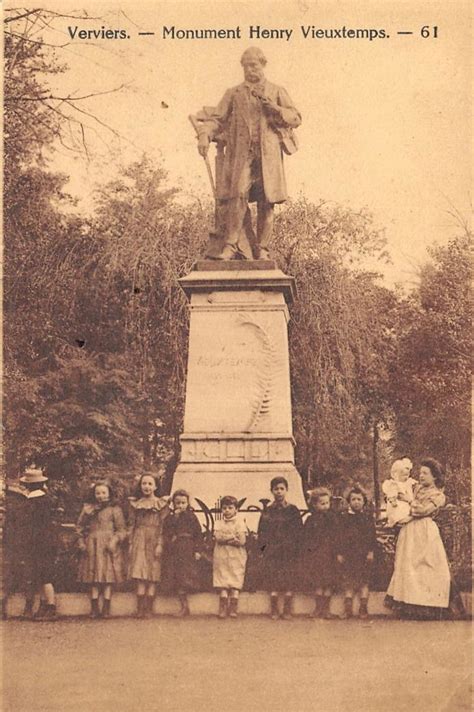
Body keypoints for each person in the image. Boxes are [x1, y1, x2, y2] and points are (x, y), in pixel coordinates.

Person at [196, 46, 301, 260]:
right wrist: (204, 135)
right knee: (238, 195)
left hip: (268, 156)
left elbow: (296, 117)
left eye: (253, 65)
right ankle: (231, 245)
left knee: (267, 201)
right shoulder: (233, 93)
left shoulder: (276, 91)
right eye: (245, 66)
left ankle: (262, 248)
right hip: (243, 156)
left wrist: (276, 109)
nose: (249, 69)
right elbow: (216, 119)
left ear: (263, 65)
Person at [385, 458, 451, 619]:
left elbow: (423, 511)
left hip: (426, 531)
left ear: (435, 476)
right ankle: (410, 605)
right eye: (420, 472)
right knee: (408, 566)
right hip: (410, 531)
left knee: (429, 566)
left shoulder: (438, 495)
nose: (421, 476)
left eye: (425, 473)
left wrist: (409, 500)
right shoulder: (416, 489)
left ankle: (430, 607)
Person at [76, 480, 127, 618]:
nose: (100, 495)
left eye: (104, 492)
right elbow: (79, 528)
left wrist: (114, 541)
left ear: (109, 494)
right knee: (94, 578)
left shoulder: (115, 510)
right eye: (97, 493)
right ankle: (94, 608)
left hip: (108, 546)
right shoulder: (88, 509)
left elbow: (122, 529)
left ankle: (106, 607)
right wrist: (81, 542)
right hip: (92, 546)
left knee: (107, 577)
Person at [257, 476, 303, 620]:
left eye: (282, 489)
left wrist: (296, 548)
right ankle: (274, 608)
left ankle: (287, 609)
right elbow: (262, 532)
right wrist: (263, 550)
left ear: (286, 490)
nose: (279, 492)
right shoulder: (268, 511)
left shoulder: (293, 510)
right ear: (271, 491)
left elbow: (299, 531)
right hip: (273, 550)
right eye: (276, 489)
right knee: (274, 578)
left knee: (289, 578)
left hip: (289, 550)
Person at [17, 468, 59, 621]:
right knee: (42, 576)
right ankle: (44, 606)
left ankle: (51, 607)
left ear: (28, 486)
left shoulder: (33, 502)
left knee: (44, 576)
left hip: (39, 544)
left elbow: (31, 525)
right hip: (44, 543)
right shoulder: (45, 500)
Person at [128, 474, 170, 618]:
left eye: (150, 484)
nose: (146, 486)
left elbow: (164, 526)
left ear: (155, 486)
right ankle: (140, 608)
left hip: (154, 537)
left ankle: (149, 609)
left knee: (152, 572)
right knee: (140, 571)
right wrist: (131, 542)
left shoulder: (161, 504)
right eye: (144, 483)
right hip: (139, 537)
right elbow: (132, 524)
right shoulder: (136, 504)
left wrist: (160, 544)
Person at [336, 486, 377, 620]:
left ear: (364, 502)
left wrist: (371, 552)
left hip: (363, 555)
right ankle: (348, 610)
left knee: (364, 582)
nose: (356, 502)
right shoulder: (344, 518)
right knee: (348, 582)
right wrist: (340, 553)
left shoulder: (367, 518)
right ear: (349, 501)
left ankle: (363, 609)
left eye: (359, 499)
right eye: (353, 499)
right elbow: (340, 537)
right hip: (349, 555)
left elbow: (372, 536)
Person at [161, 489, 203, 617]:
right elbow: (166, 533)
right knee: (176, 576)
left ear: (187, 503)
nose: (180, 506)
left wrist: (198, 550)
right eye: (177, 503)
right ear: (173, 503)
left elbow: (198, 534)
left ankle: (185, 607)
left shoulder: (191, 517)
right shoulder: (170, 518)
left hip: (187, 549)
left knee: (185, 576)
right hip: (174, 550)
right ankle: (183, 606)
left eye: (183, 503)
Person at [300, 487, 339, 619]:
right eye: (322, 503)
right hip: (316, 555)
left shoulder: (332, 518)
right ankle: (318, 608)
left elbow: (337, 536)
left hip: (329, 554)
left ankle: (326, 609)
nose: (325, 506)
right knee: (318, 581)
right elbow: (306, 537)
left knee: (328, 582)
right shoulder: (311, 520)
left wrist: (337, 552)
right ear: (315, 505)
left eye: (327, 503)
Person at [212, 495, 248, 619]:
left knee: (235, 579)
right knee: (222, 578)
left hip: (236, 556)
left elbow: (242, 540)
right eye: (224, 508)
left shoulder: (240, 523)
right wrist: (232, 538)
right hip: (222, 555)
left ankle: (233, 607)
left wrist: (226, 538)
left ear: (236, 509)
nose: (227, 510)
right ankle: (222, 607)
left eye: (230, 508)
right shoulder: (218, 522)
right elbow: (218, 538)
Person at [382, 458, 416, 527]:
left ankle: (406, 517)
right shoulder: (394, 484)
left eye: (407, 475)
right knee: (398, 512)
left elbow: (414, 482)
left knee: (407, 510)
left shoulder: (408, 483)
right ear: (396, 475)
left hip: (406, 503)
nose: (406, 477)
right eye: (404, 475)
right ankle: (396, 520)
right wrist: (392, 500)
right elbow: (391, 494)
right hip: (397, 504)